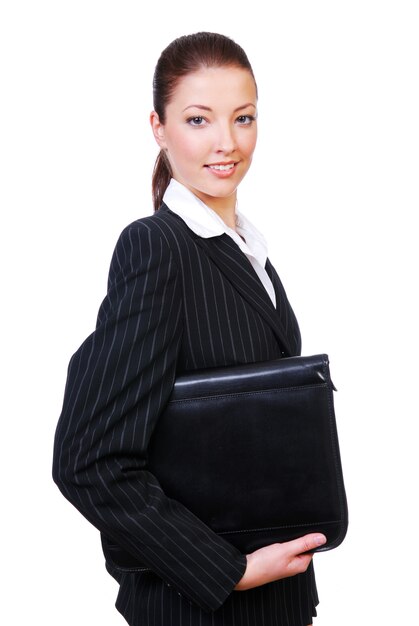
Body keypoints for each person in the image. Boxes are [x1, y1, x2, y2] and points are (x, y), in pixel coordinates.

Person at [53, 31, 326, 626]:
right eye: (198, 119)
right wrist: (228, 571)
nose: (226, 143)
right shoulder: (157, 248)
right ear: (159, 127)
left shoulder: (248, 251)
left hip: (279, 602)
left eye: (243, 117)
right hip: (205, 610)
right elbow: (87, 462)